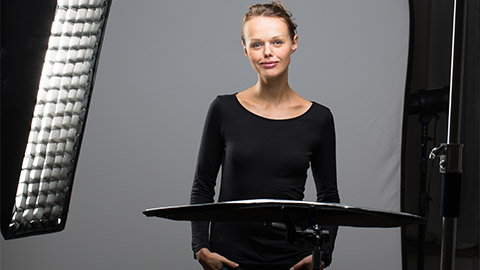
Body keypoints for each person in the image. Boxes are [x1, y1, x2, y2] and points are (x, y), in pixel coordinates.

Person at [190, 2, 340, 269]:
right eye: (257, 44)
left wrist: (323, 253)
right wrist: (201, 248)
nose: (268, 52)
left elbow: (328, 195)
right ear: (245, 49)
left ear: (294, 43)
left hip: (291, 260)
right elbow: (203, 185)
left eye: (277, 42)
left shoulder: (319, 118)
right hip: (229, 260)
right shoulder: (224, 109)